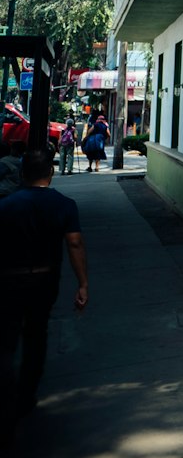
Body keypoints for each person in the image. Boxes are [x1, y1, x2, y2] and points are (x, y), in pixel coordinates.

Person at [0, 147, 88, 424]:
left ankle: (5, 394)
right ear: (51, 172)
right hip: (44, 279)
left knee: (6, 339)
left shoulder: (6, 205)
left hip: (8, 279)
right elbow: (74, 243)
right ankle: (26, 396)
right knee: (36, 335)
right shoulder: (64, 204)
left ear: (23, 173)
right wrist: (83, 283)